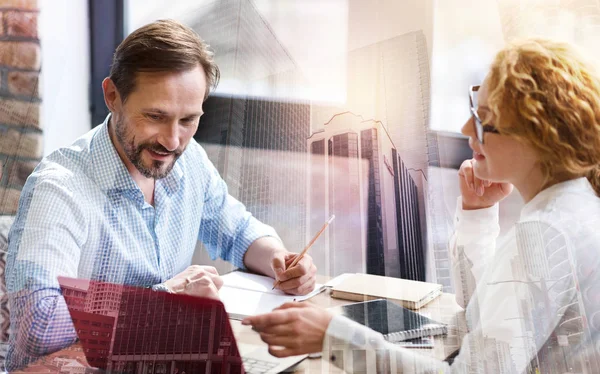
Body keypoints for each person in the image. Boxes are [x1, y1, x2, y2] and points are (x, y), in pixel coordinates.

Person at [243, 38, 600, 373]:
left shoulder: (546, 232)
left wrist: (333, 337)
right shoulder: (575, 207)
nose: (465, 128)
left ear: (537, 135)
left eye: (483, 120)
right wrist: (477, 216)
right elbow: (486, 313)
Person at [5, 20, 317, 371]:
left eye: (188, 120)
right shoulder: (59, 189)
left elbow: (237, 232)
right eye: (155, 116)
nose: (172, 141)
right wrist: (166, 299)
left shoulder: (189, 159)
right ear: (113, 97)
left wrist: (282, 260)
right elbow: (39, 326)